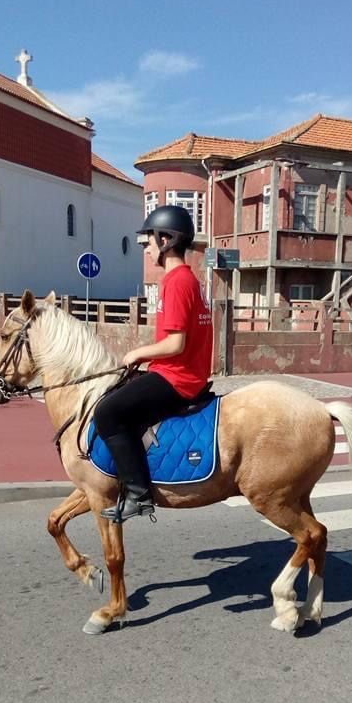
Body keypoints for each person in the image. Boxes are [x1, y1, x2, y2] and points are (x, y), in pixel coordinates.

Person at [93, 205, 213, 523]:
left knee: (107, 413)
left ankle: (138, 494)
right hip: (182, 373)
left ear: (165, 239)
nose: (146, 248)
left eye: (148, 240)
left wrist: (137, 354)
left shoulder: (175, 281)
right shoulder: (190, 279)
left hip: (178, 379)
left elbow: (176, 344)